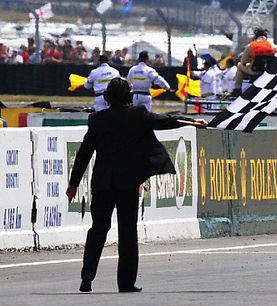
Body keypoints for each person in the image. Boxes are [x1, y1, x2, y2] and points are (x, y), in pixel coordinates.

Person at [66, 78, 208, 293]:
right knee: (127, 231)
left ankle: (87, 274)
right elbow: (167, 120)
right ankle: (126, 283)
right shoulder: (138, 114)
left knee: (98, 229)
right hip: (128, 183)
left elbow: (84, 153)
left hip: (103, 183)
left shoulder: (97, 119)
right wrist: (193, 122)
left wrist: (73, 183)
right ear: (128, 96)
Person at [234, 28, 277, 94]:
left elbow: (243, 61)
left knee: (239, 65)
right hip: (268, 71)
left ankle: (237, 89)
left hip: (254, 71)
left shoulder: (251, 45)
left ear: (255, 37)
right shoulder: (274, 46)